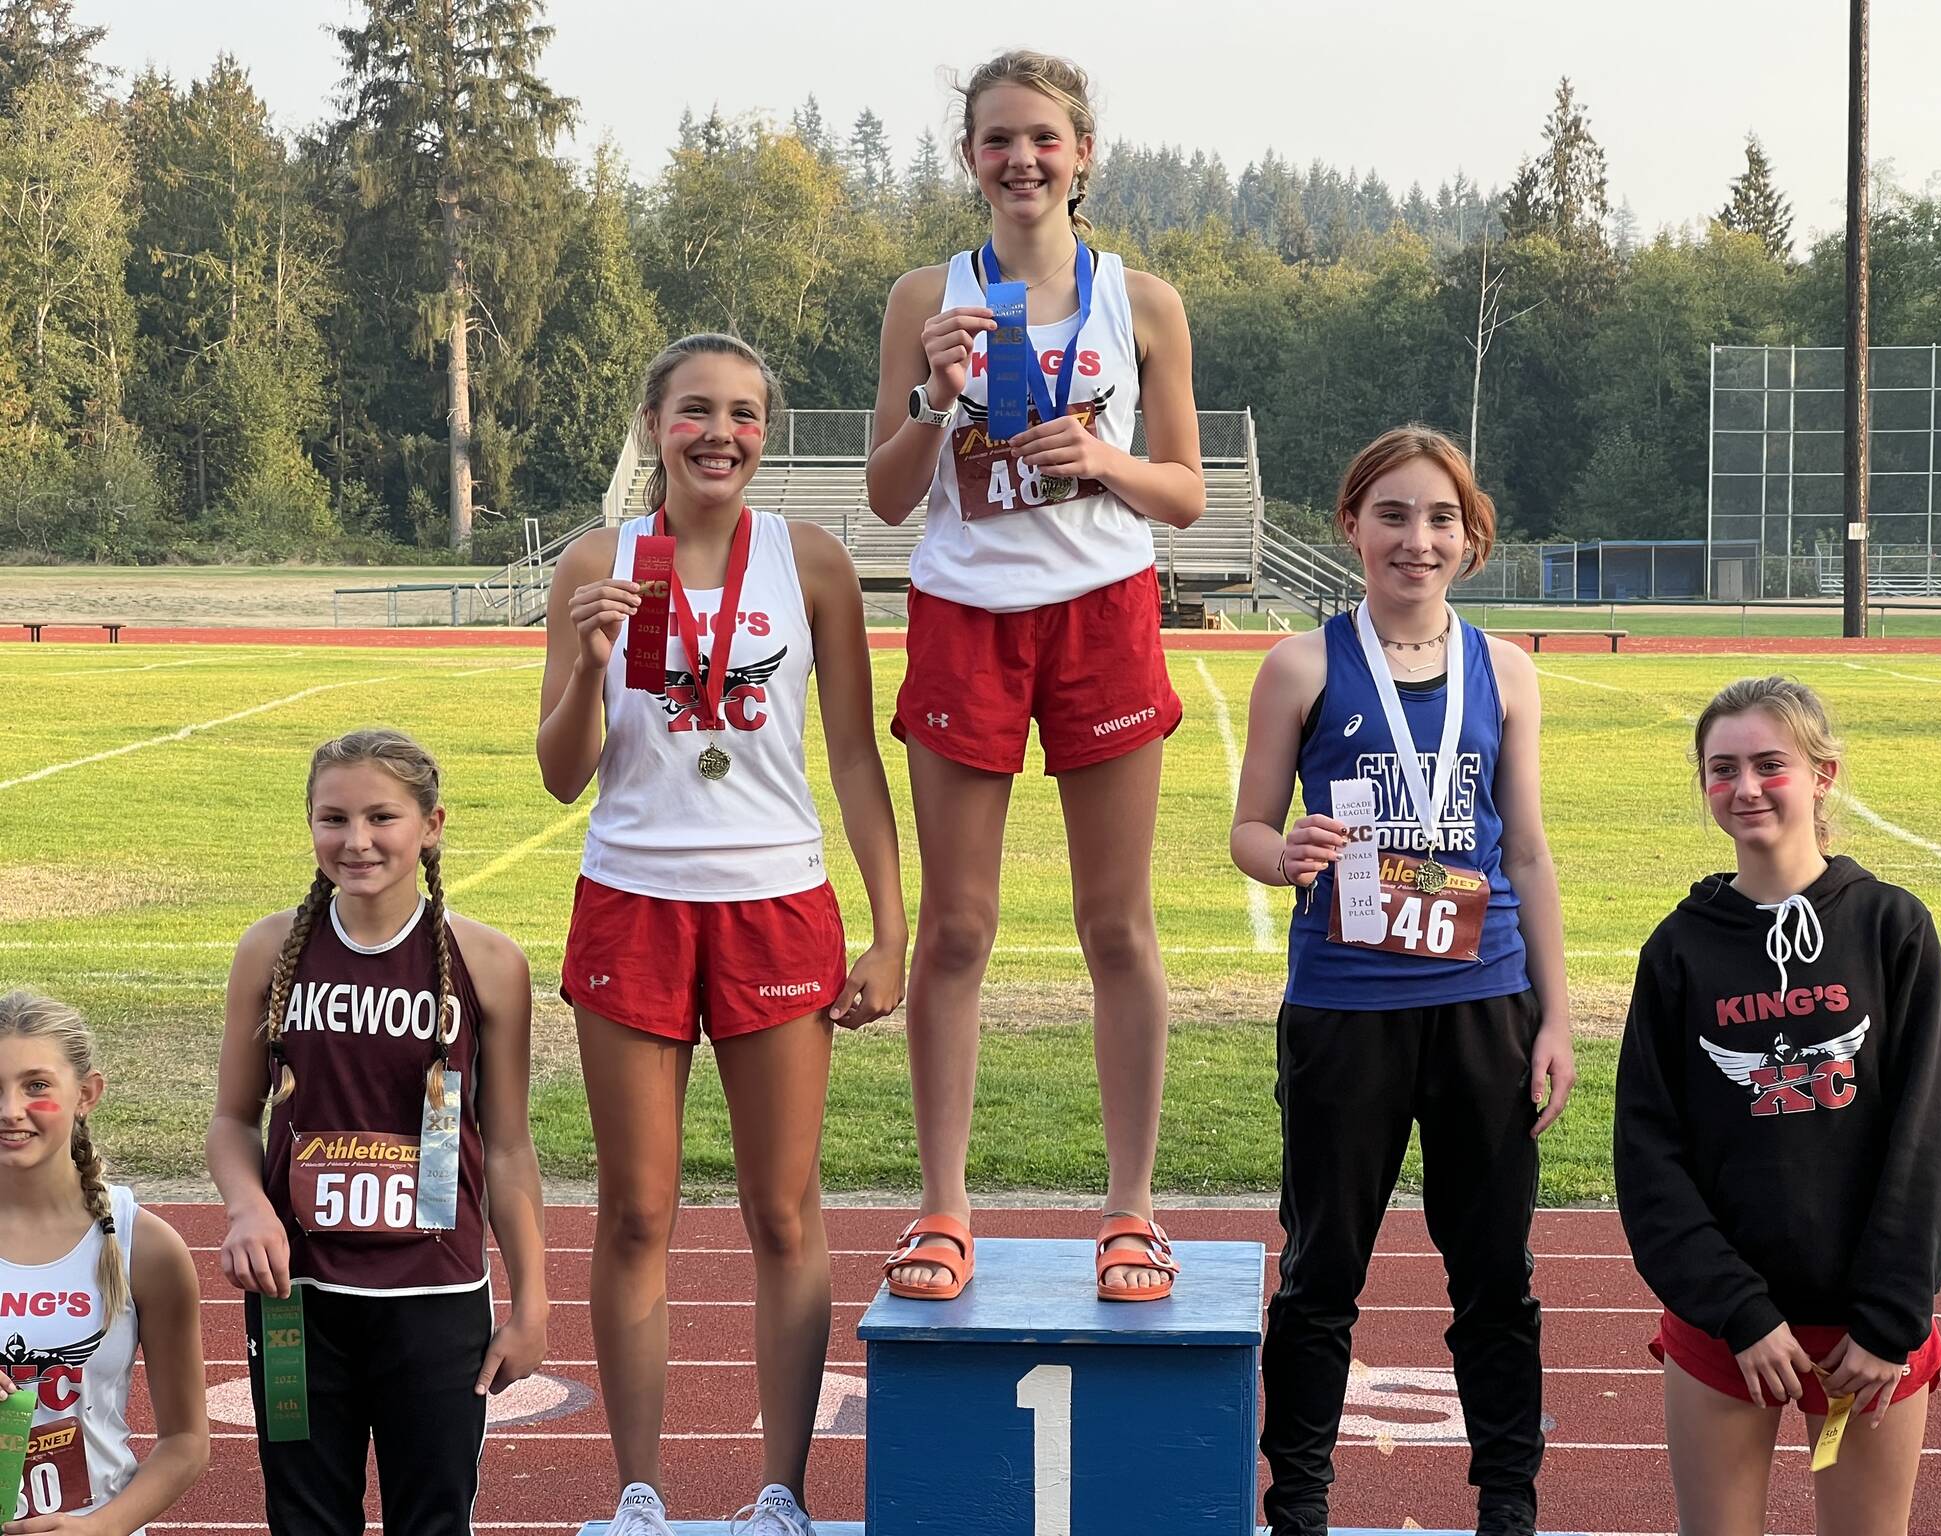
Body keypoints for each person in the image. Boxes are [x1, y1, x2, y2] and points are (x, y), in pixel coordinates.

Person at [540, 332, 907, 1535]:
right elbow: (560, 776)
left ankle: (780, 1493)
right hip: (632, 901)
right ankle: (638, 1490)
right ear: (653, 424)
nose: (719, 434)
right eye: (694, 411)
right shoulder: (595, 561)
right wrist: (590, 663)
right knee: (635, 1210)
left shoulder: (811, 565)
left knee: (782, 1210)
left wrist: (888, 925)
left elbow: (852, 755)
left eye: (743, 414)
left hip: (775, 905)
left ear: (765, 433)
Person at [866, 48, 1204, 1303]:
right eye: (997, 140)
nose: (1021, 160)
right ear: (970, 160)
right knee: (956, 929)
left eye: (1043, 140)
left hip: (1101, 615)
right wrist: (931, 394)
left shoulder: (1143, 302)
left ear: (1081, 156)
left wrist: (1102, 459)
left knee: (1113, 924)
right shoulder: (925, 295)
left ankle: (1130, 1212)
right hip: (965, 615)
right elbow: (889, 496)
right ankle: (942, 1211)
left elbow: (1182, 491)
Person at [1228, 425, 1574, 1536]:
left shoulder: (1504, 668)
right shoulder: (1302, 663)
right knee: (1321, 1271)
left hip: (1483, 1001)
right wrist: (1280, 856)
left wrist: (1555, 1015)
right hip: (1344, 1006)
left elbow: (1523, 849)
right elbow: (1247, 826)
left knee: (1493, 1278)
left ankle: (1507, 1506)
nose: (1413, 540)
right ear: (1349, 527)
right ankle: (1300, 1506)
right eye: (1390, 515)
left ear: (1468, 540)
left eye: (1438, 519)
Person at [1615, 675, 1941, 1536]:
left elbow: (1928, 1136)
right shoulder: (1679, 949)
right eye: (1721, 768)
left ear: (1822, 775)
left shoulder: (1892, 927)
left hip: (1869, 1334)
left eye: (1770, 764)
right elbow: (1648, 1155)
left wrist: (1889, 1321)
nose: (1744, 788)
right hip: (1725, 1327)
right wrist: (1736, 1309)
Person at [207, 729, 547, 1536]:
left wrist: (532, 1300)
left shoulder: (490, 963)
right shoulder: (267, 950)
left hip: (435, 1296)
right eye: (333, 819)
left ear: (431, 825)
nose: (355, 841)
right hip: (297, 1302)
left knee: (431, 1519)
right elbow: (231, 1119)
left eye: (380, 818)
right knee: (305, 1518)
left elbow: (506, 1146)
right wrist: (248, 1208)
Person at [0, 989, 206, 1536]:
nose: (10, 1110)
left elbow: (186, 1442)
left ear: (86, 1094)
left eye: (36, 1086)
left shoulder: (146, 1246)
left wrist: (103, 1527)